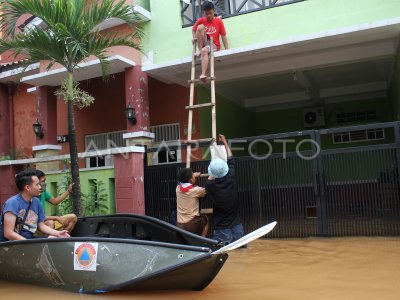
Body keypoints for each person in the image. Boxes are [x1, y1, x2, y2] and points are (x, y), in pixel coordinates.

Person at [0, 170, 70, 241]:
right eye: (37, 184)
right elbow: (8, 233)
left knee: (54, 239)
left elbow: (41, 225)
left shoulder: (36, 202)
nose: (40, 187)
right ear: (27, 187)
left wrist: (58, 233)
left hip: (29, 240)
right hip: (11, 244)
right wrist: (27, 243)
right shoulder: (12, 203)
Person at [205, 134, 244, 245]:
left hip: (222, 229)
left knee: (223, 254)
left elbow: (210, 177)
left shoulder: (210, 186)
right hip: (237, 228)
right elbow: (231, 159)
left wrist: (213, 149)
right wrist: (225, 142)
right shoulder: (231, 177)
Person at [192, 1, 228, 82]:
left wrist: (226, 51)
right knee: (200, 27)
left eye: (210, 13)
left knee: (205, 50)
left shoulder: (219, 21)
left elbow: (223, 36)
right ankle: (200, 50)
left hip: (214, 45)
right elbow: (193, 29)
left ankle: (203, 74)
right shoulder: (201, 20)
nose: (208, 15)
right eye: (206, 13)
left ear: (214, 11)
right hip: (204, 44)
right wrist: (194, 38)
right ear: (203, 13)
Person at [176, 168, 209, 236]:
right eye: (193, 176)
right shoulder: (196, 190)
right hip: (192, 224)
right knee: (206, 220)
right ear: (191, 180)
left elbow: (182, 183)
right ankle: (202, 240)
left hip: (179, 225)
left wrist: (193, 176)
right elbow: (207, 189)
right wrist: (210, 179)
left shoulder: (177, 189)